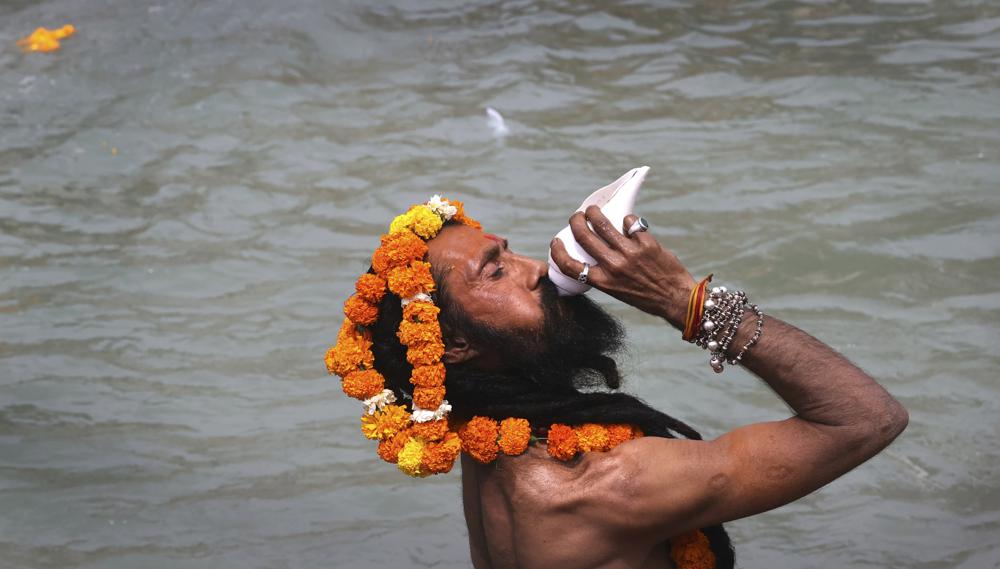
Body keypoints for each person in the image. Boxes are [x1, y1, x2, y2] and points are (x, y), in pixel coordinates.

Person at [326, 196, 908, 569]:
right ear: (453, 346)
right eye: (497, 271)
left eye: (510, 253)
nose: (539, 270)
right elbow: (865, 418)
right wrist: (683, 301)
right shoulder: (601, 484)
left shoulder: (488, 438)